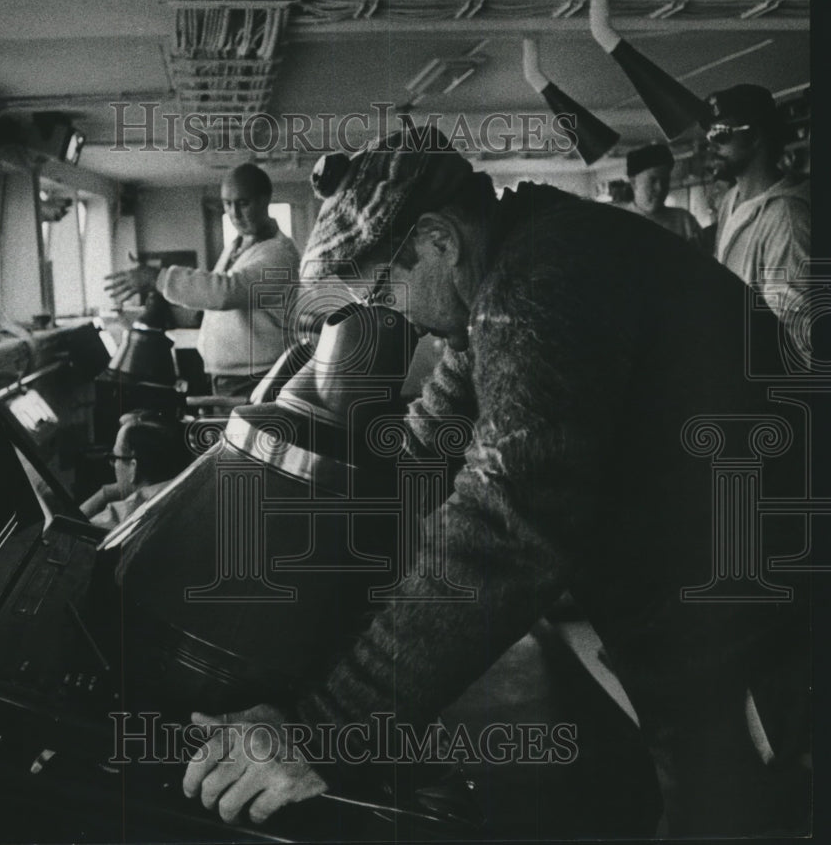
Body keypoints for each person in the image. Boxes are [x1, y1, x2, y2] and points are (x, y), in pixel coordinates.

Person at [177, 128, 810, 837]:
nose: (398, 320)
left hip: (761, 618)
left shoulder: (542, 279)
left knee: (735, 817)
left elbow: (505, 529)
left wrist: (327, 729)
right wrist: (263, 531)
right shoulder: (508, 270)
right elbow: (424, 450)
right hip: (694, 600)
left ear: (438, 240)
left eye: (384, 292)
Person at [105, 163, 300, 398]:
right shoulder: (240, 246)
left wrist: (158, 277)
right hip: (235, 376)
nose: (234, 214)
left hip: (257, 377)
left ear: (265, 200)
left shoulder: (279, 253)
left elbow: (226, 292)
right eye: (227, 204)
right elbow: (216, 297)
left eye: (243, 203)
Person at [706, 84, 810, 325]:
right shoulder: (730, 200)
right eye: (709, 135)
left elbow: (791, 327)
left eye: (721, 134)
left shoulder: (787, 218)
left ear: (755, 135)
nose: (712, 145)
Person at [81, 412, 188, 529]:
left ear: (133, 467)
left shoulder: (121, 514)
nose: (113, 465)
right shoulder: (189, 495)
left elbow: (72, 534)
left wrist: (103, 494)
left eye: (115, 458)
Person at [623, 143, 703, 248]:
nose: (660, 188)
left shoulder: (684, 221)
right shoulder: (619, 222)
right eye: (653, 181)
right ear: (633, 182)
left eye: (665, 181)